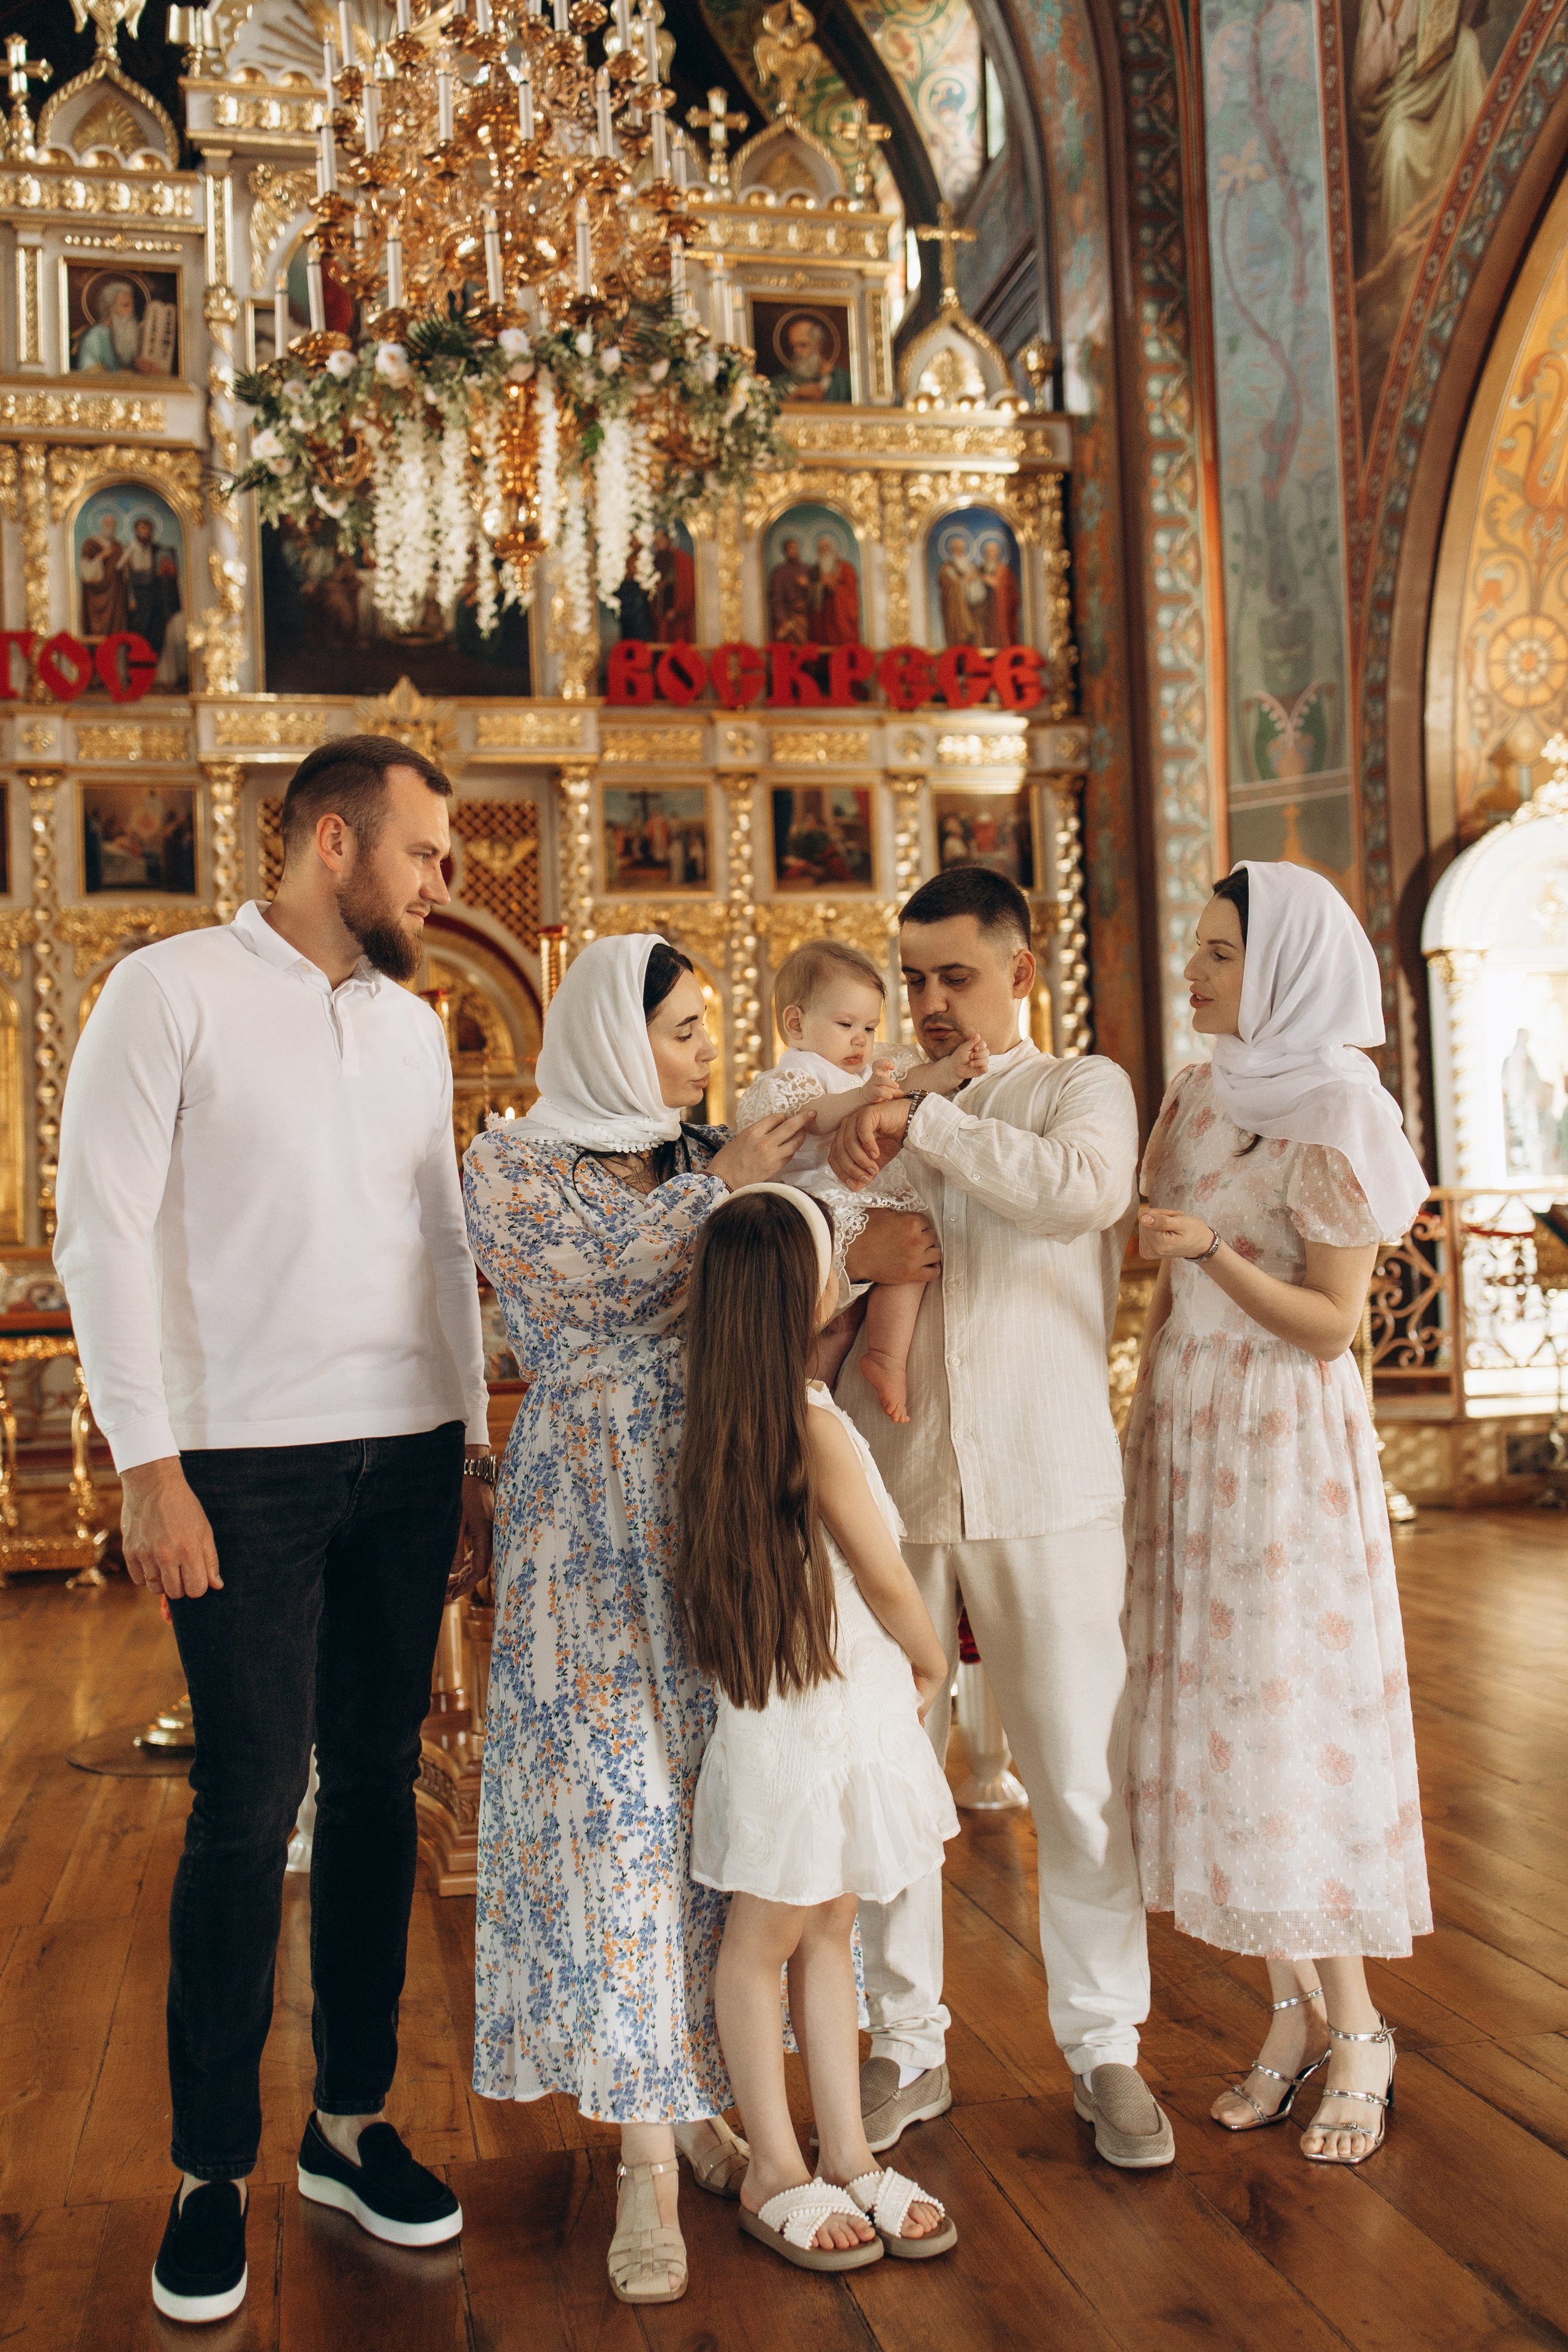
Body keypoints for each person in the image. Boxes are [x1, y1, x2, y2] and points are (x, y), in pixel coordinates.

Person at [53, 735, 496, 2326]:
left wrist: (470, 1444)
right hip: (240, 1463)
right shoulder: (165, 992)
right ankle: (205, 2172)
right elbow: (96, 1231)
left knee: (384, 1783)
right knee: (252, 1802)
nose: (446, 885)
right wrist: (145, 1461)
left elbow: (439, 1234)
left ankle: (349, 2124)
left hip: (406, 1451)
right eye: (426, 856)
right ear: (330, 842)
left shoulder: (412, 1027)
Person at [462, 933, 943, 2305]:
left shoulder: (705, 1156)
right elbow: (589, 1286)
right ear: (615, 1038)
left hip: (719, 1513)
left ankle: (729, 2116)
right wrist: (727, 1186)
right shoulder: (511, 1163)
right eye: (680, 1033)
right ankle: (645, 2167)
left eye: (708, 1033)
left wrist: (846, 1168)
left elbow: (815, 1237)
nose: (700, 1059)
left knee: (717, 1828)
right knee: (617, 1828)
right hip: (586, 1529)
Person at [827, 865, 1174, 2171]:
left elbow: (1079, 1195)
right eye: (909, 977)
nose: (923, 1001)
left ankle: (1103, 2050)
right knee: (889, 1773)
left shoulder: (1078, 1087)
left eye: (951, 976)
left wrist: (928, 1119)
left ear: (1019, 975)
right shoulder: (869, 1106)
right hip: (893, 1485)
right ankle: (901, 2043)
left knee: (1078, 1782)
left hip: (1048, 1489)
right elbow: (816, 1246)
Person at [1123, 860, 1433, 2165]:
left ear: (1288, 967)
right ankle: (1290, 2012)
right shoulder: (1194, 1091)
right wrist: (1136, 1403)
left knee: (1288, 1721)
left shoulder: (1336, 1114)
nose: (1191, 973)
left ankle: (1359, 2026)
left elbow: (1327, 1325)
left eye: (1217, 954)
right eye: (1195, 949)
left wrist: (1211, 1257)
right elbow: (1148, 1259)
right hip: (1187, 1427)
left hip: (1279, 1441)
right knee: (1215, 1732)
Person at [679, 1185, 959, 2269]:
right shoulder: (812, 1425)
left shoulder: (743, 1412)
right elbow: (885, 1580)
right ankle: (777, 2166)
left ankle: (845, 2150)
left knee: (828, 1924)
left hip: (815, 1710)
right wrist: (932, 1658)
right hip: (817, 1720)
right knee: (771, 1939)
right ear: (804, 1293)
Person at [735, 939, 986, 1422]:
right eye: (846, 1025)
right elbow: (811, 1117)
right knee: (831, 1323)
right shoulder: (798, 1075)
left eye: (870, 1027)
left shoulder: (867, 1071)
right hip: (816, 1203)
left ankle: (886, 1359)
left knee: (912, 1264)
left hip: (868, 1197)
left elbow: (912, 1087)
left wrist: (951, 1071)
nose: (861, 1040)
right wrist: (864, 1097)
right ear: (796, 1023)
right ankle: (802, 1398)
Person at [779, 314, 852, 402]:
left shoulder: (844, 381)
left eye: (803, 345)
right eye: (793, 346)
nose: (796, 351)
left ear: (818, 345)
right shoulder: (784, 382)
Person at [78, 511, 129, 638]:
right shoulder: (91, 544)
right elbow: (86, 571)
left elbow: (124, 572)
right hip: (95, 594)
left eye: (112, 523)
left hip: (115, 595)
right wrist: (101, 557)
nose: (110, 526)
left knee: (115, 625)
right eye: (107, 523)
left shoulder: (117, 547)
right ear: (101, 525)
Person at [811, 535, 861, 646]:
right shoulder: (815, 569)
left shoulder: (846, 568)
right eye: (821, 549)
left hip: (841, 614)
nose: (824, 551)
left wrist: (835, 588)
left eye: (826, 547)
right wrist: (820, 586)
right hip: (825, 615)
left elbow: (851, 591)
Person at [768, 535, 813, 641]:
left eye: (796, 548)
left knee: (806, 648)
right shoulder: (780, 572)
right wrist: (782, 619)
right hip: (789, 616)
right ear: (786, 551)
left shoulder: (807, 569)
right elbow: (776, 598)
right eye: (791, 548)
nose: (794, 551)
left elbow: (817, 594)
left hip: (806, 616)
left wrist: (808, 585)